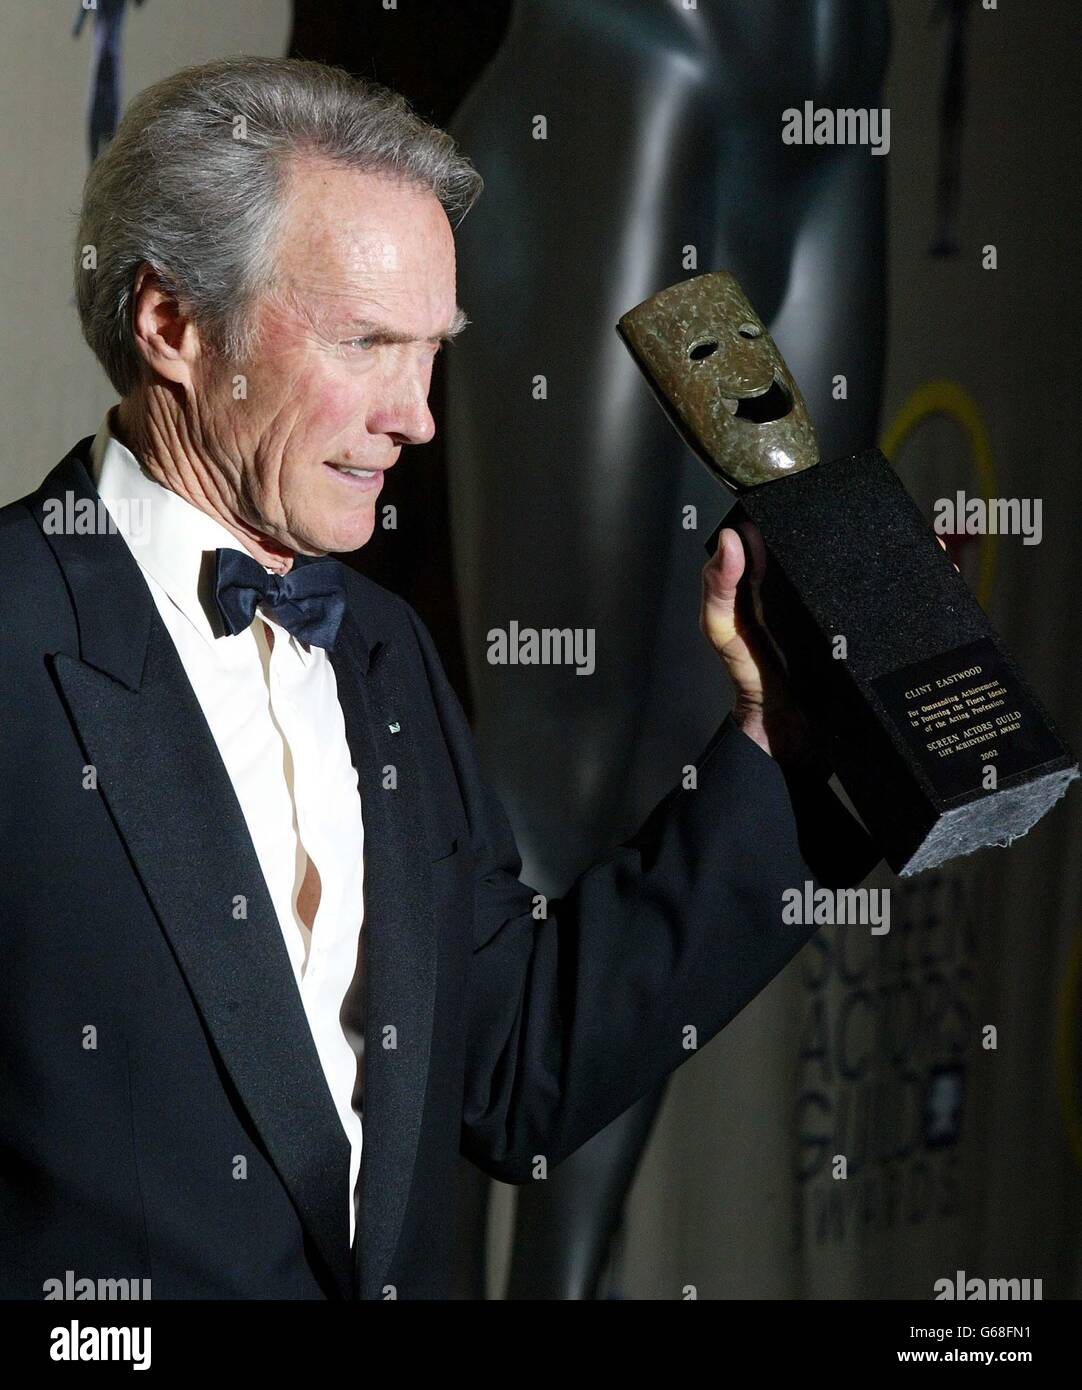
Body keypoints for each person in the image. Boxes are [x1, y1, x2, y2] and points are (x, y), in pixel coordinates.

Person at [0, 56, 878, 1300]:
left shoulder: (385, 654)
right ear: (172, 326)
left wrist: (777, 739)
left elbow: (514, 1070)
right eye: (365, 343)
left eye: (433, 351)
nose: (417, 416)